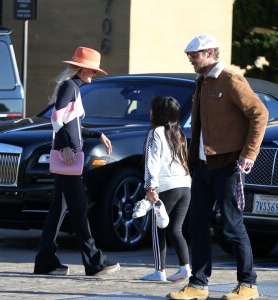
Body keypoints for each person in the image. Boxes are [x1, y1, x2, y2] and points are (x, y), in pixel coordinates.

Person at [167, 34, 268, 300]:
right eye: (188, 55)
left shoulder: (231, 80)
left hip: (227, 165)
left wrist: (249, 153)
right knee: (197, 225)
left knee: (232, 226)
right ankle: (198, 285)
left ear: (210, 53)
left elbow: (259, 113)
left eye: (194, 54)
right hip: (202, 166)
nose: (190, 58)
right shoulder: (201, 82)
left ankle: (248, 285)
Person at [34, 47, 120, 276]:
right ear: (82, 69)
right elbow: (56, 119)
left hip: (68, 156)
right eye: (92, 70)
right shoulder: (69, 87)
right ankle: (94, 262)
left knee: (58, 210)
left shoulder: (73, 88)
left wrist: (97, 135)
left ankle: (45, 261)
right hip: (68, 157)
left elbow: (73, 125)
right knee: (79, 208)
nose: (94, 74)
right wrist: (64, 147)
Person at [136, 95, 192, 282]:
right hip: (185, 185)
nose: (150, 113)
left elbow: (153, 161)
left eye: (154, 110)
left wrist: (149, 187)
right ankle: (185, 268)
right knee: (176, 229)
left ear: (159, 114)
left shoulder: (156, 133)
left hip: (166, 186)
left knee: (158, 228)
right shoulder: (180, 133)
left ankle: (159, 271)